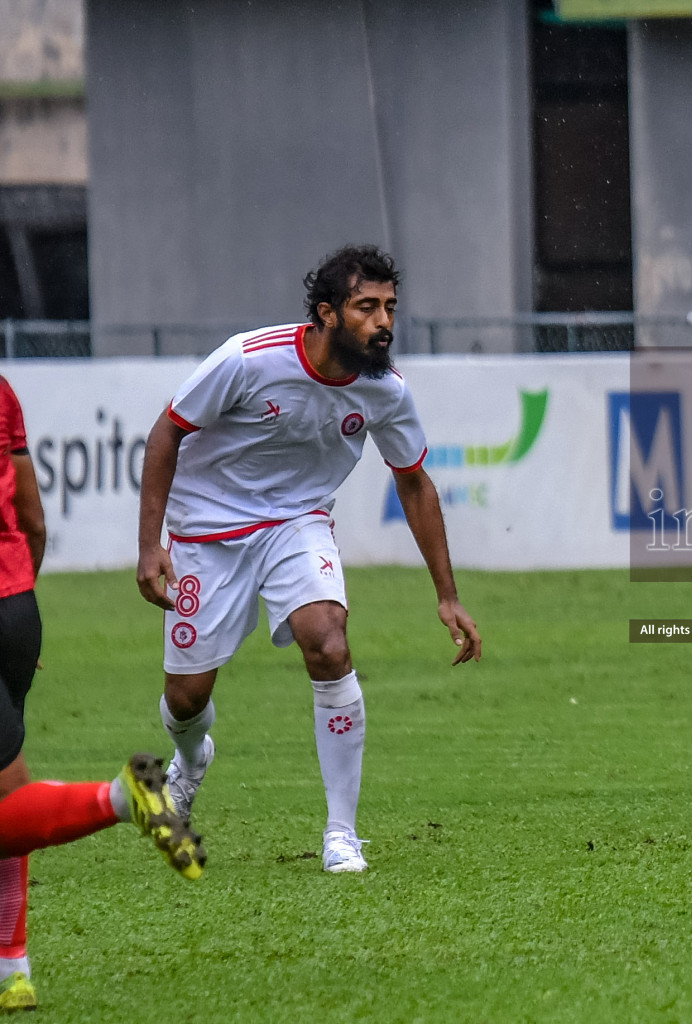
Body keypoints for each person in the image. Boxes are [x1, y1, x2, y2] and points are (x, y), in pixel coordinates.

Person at [136, 244, 482, 875]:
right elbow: (167, 431)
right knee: (186, 699)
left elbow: (413, 481)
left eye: (390, 308)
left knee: (327, 642)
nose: (383, 322)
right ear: (327, 313)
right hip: (206, 537)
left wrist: (447, 594)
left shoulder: (386, 391)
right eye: (365, 307)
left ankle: (341, 833)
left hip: (297, 524)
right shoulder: (250, 358)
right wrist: (150, 545)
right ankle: (191, 759)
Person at [0, 376, 203, 1014]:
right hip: (13, 604)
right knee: (11, 792)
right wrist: (17, 604)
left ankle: (121, 799)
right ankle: (13, 970)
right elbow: (32, 520)